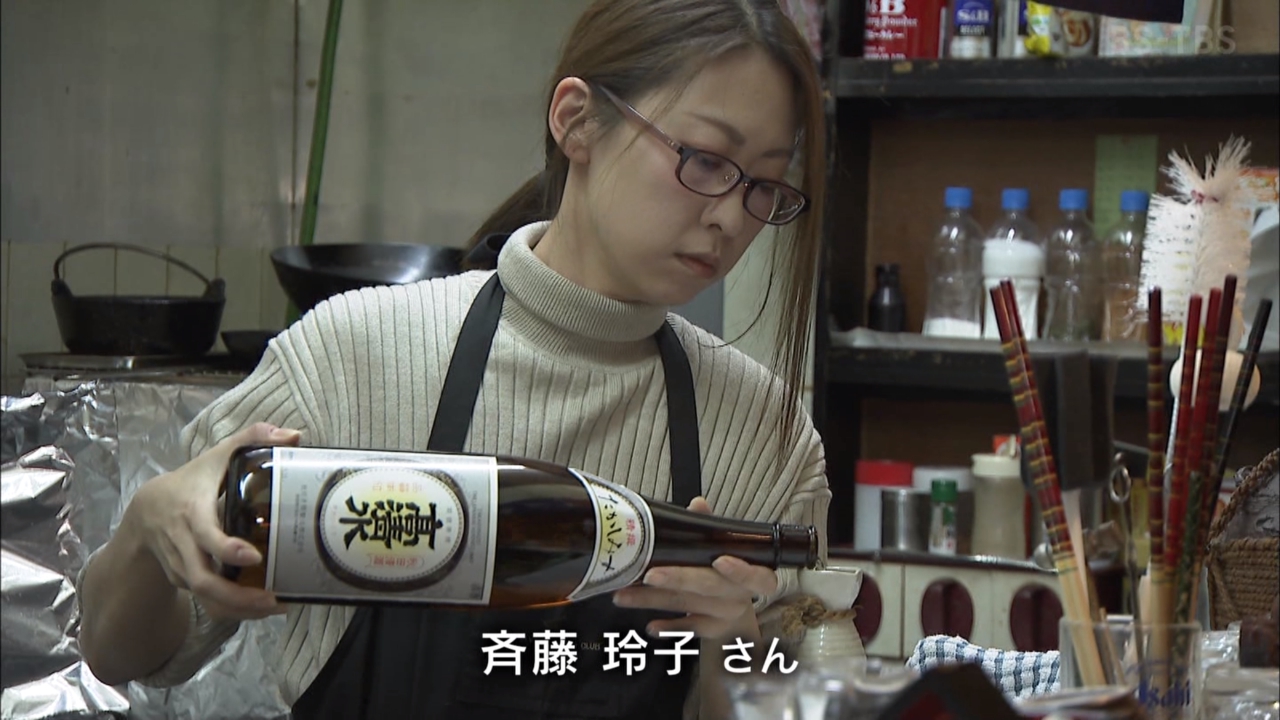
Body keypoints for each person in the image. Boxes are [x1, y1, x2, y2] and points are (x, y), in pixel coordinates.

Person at [76, 0, 831, 717]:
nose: (731, 216)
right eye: (705, 160)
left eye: (763, 185)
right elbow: (121, 653)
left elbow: (795, 693)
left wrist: (735, 654)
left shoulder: (763, 439)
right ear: (577, 121)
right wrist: (147, 529)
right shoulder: (353, 358)